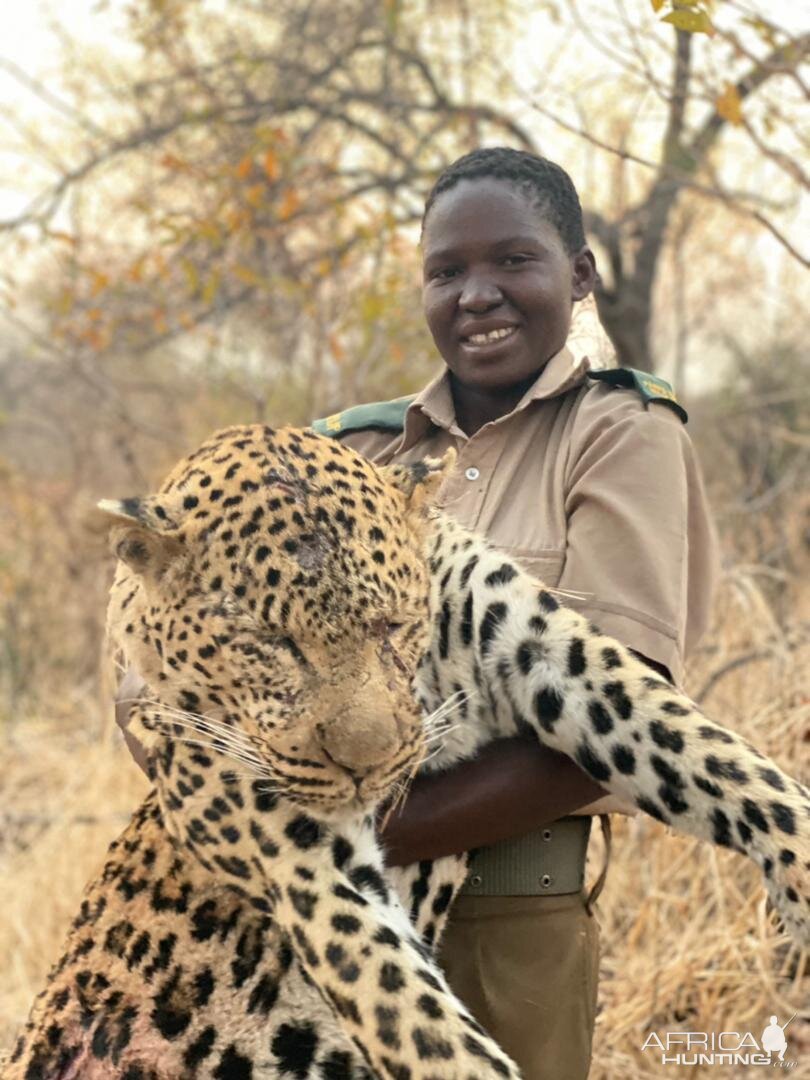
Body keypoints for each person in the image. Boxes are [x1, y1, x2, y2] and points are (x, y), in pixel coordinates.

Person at [117, 148, 718, 1079]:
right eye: (448, 272)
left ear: (582, 276)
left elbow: (619, 715)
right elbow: (158, 658)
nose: (478, 295)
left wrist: (322, 844)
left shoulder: (621, 433)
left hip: (503, 914)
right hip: (285, 935)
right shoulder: (349, 445)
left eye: (513, 261)